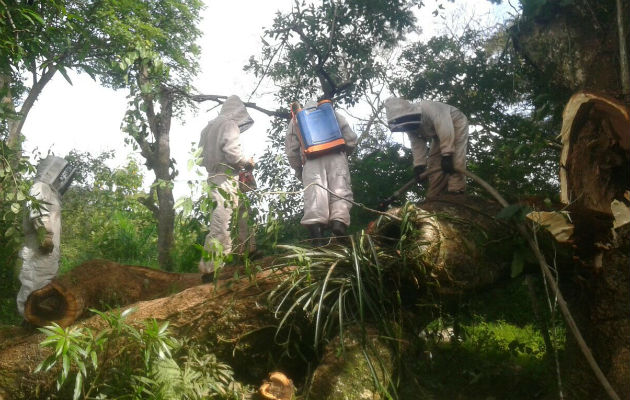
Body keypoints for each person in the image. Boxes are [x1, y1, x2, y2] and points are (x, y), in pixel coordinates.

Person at [198, 95, 255, 281]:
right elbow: (233, 154)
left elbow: (199, 158)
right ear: (237, 110)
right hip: (225, 179)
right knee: (221, 223)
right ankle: (209, 271)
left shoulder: (207, 127)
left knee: (236, 215)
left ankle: (245, 254)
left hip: (213, 177)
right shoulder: (229, 124)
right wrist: (248, 163)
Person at [285, 100, 357, 244]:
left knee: (315, 196)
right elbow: (351, 139)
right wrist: (344, 153)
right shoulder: (332, 113)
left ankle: (317, 238)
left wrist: (299, 170)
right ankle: (339, 225)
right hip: (336, 156)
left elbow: (291, 152)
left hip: (311, 161)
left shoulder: (296, 120)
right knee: (340, 192)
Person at [17, 155, 75, 316]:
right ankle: (28, 320)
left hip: (46, 253)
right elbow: (37, 211)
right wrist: (47, 234)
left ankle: (40, 320)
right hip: (38, 250)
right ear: (52, 171)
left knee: (45, 284)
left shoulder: (49, 191)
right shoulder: (40, 187)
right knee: (32, 283)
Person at [384, 97, 469, 198]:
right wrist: (419, 166)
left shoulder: (429, 108)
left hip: (455, 122)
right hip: (438, 134)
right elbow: (417, 144)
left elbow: (444, 127)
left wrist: (447, 154)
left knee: (456, 158)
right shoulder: (409, 126)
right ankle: (435, 194)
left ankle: (456, 190)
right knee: (433, 161)